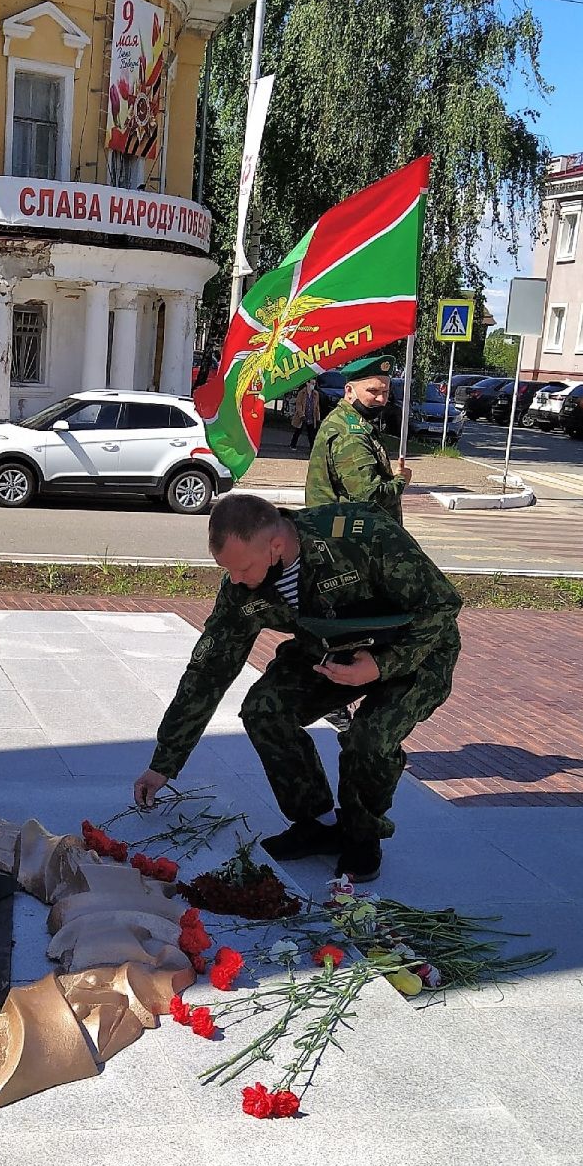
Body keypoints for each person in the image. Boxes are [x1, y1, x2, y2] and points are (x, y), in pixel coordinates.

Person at [131, 493, 460, 883]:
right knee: (265, 709)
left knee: (368, 739)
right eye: (228, 570)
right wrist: (164, 762)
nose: (236, 580)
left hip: (415, 649)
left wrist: (381, 665)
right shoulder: (242, 585)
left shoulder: (361, 535)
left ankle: (361, 834)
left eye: (244, 568)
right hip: (331, 648)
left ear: (276, 545)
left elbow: (441, 605)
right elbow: (209, 670)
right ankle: (315, 824)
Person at [305, 353, 413, 521]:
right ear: (349, 391)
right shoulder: (349, 432)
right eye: (373, 391)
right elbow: (369, 497)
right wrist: (400, 482)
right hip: (347, 537)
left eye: (385, 392)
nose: (381, 399)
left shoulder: (351, 420)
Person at [287, 381, 319, 450]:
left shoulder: (316, 394)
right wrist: (301, 415)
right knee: (298, 431)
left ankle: (312, 448)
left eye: (314, 384)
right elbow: (298, 404)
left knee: (311, 433)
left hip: (311, 415)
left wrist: (317, 417)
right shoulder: (301, 393)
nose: (313, 385)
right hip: (303, 416)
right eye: (312, 383)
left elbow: (317, 406)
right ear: (307, 383)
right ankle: (293, 445)